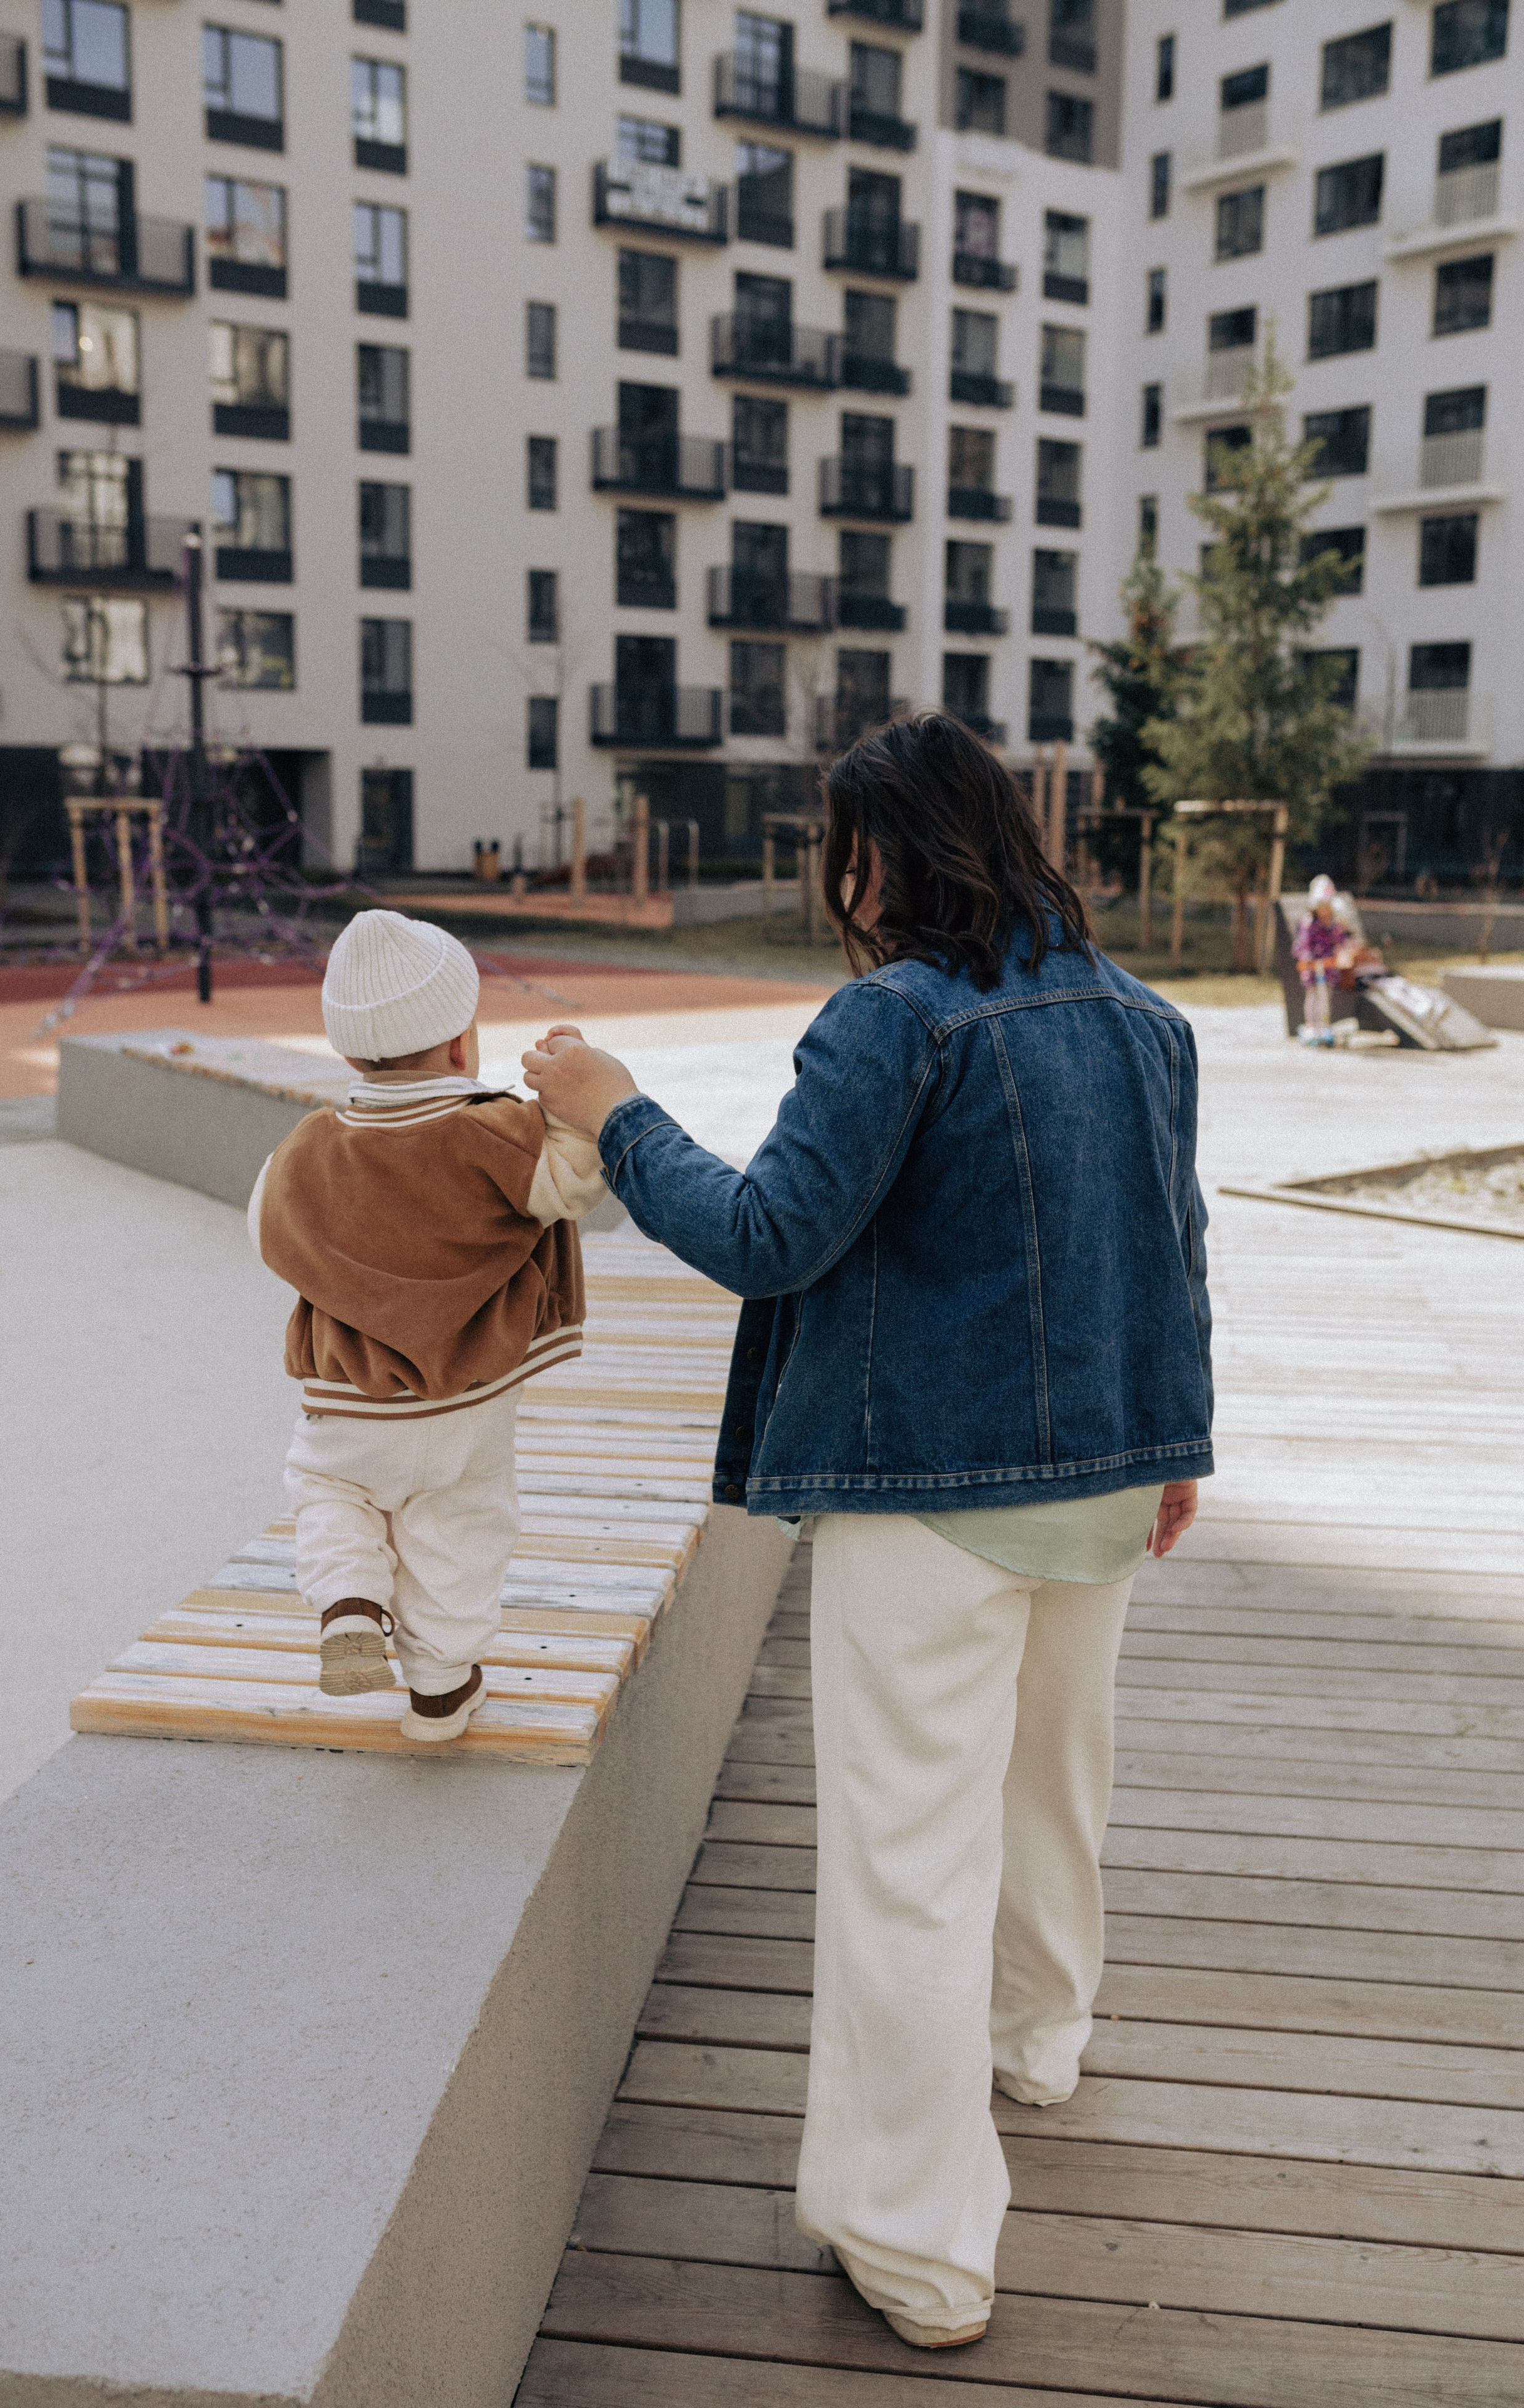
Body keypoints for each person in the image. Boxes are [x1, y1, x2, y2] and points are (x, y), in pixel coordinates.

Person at [524, 712, 1213, 2350]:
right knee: (1057, 1774)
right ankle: (1038, 2041)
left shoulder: (890, 1022)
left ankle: (920, 2241)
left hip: (938, 1490)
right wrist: (1182, 1440)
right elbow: (1177, 1246)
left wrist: (617, 1112)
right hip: (1111, 1471)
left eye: (846, 852)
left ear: (882, 854)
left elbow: (768, 1238)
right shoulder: (1146, 1016)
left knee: (911, 1848)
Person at [249, 910, 605, 1742]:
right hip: (466, 1399)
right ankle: (441, 1690)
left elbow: (266, 1225)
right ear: (459, 1046)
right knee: (460, 1524)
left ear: (348, 1053)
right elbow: (573, 1184)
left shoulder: (310, 1145)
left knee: (329, 1489)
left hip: (350, 1397)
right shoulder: (495, 1129)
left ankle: (348, 1601)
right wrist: (569, 1096)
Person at [1292, 873, 1358, 1045]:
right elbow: (1305, 943)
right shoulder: (1309, 924)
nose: (1325, 912)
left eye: (1328, 908)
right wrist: (1306, 958)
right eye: (1322, 907)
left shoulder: (1333, 925)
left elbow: (1340, 939)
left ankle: (1323, 1025)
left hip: (1328, 967)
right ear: (1315, 908)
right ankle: (1311, 1024)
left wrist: (1344, 946)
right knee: (1313, 995)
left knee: (1325, 996)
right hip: (1312, 966)